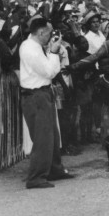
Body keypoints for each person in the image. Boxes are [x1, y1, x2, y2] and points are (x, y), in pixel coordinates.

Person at [19, 16, 74, 189]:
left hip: (42, 93)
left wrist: (51, 51)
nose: (51, 36)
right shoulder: (31, 50)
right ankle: (36, 177)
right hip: (36, 96)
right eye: (49, 33)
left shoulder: (34, 46)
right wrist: (55, 52)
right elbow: (50, 71)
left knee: (52, 135)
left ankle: (54, 169)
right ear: (41, 32)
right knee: (43, 137)